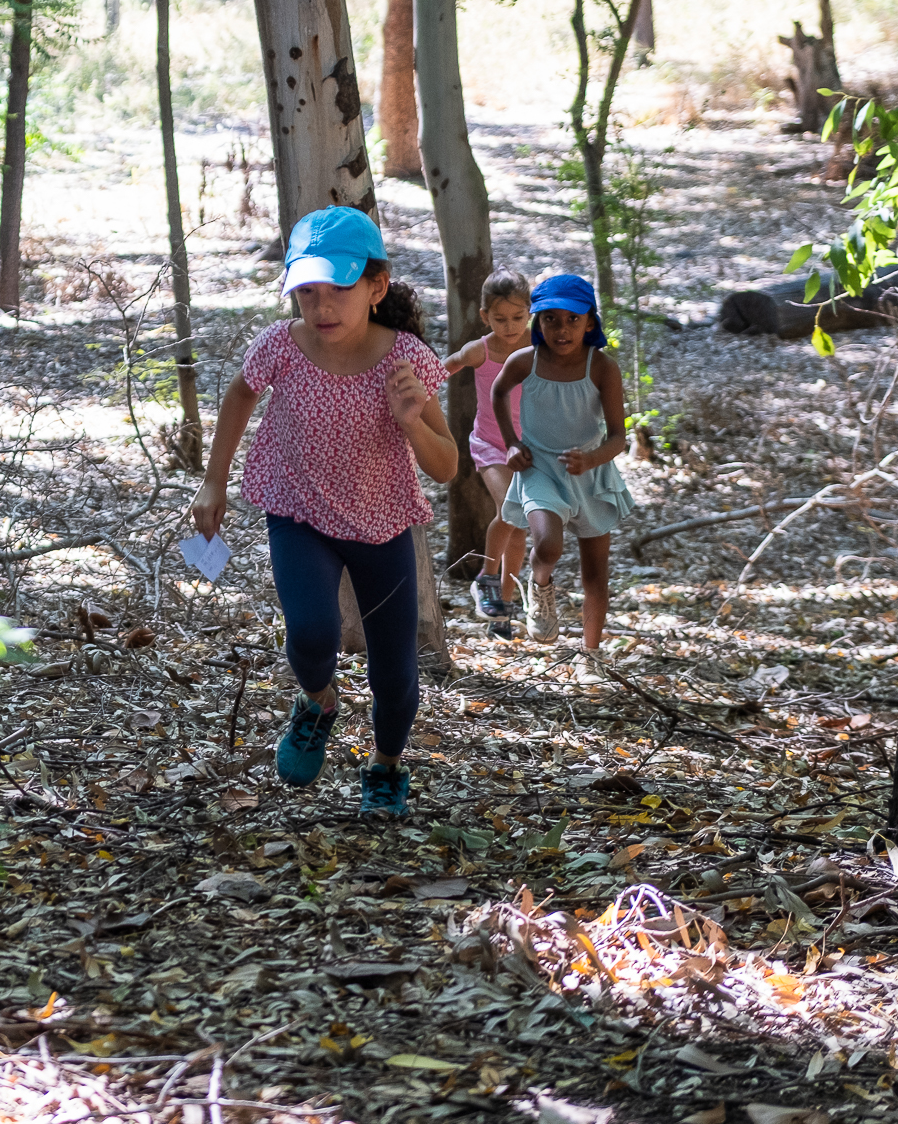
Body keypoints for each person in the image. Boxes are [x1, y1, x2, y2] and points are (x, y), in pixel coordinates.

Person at [191, 207, 456, 817]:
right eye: (307, 291)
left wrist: (412, 423)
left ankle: (386, 767)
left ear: (376, 286)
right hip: (296, 510)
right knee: (311, 634)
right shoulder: (281, 345)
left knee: (395, 678)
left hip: (382, 524)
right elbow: (239, 395)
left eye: (339, 289)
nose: (322, 306)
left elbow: (447, 468)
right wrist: (213, 482)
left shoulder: (405, 358)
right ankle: (318, 703)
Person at [490, 274, 633, 654]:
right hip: (539, 469)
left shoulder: (602, 367)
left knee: (595, 576)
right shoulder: (526, 361)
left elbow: (619, 437)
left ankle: (591, 654)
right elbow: (498, 391)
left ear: (590, 322)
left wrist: (592, 459)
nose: (561, 328)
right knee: (548, 546)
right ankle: (540, 587)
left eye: (572, 318)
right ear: (537, 321)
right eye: (550, 318)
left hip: (592, 474)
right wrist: (510, 444)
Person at [440, 267, 533, 636]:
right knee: (510, 508)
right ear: (484, 316)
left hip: (531, 447)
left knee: (522, 528)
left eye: (517, 317)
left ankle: (503, 611)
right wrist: (412, 388)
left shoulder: (537, 344)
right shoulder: (480, 349)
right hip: (491, 445)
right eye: (499, 319)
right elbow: (445, 367)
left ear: (529, 312)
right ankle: (486, 576)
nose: (509, 326)